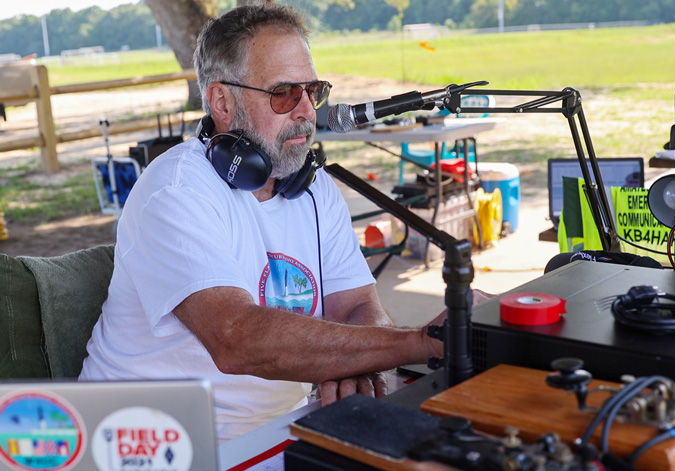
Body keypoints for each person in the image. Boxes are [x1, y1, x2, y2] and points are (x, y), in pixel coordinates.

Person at [79, 3, 453, 442]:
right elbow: (237, 338)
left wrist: (357, 359)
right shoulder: (175, 191)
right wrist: (421, 341)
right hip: (157, 442)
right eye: (283, 93)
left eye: (313, 90)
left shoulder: (314, 189)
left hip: (279, 430)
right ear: (222, 101)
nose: (306, 111)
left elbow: (356, 305)